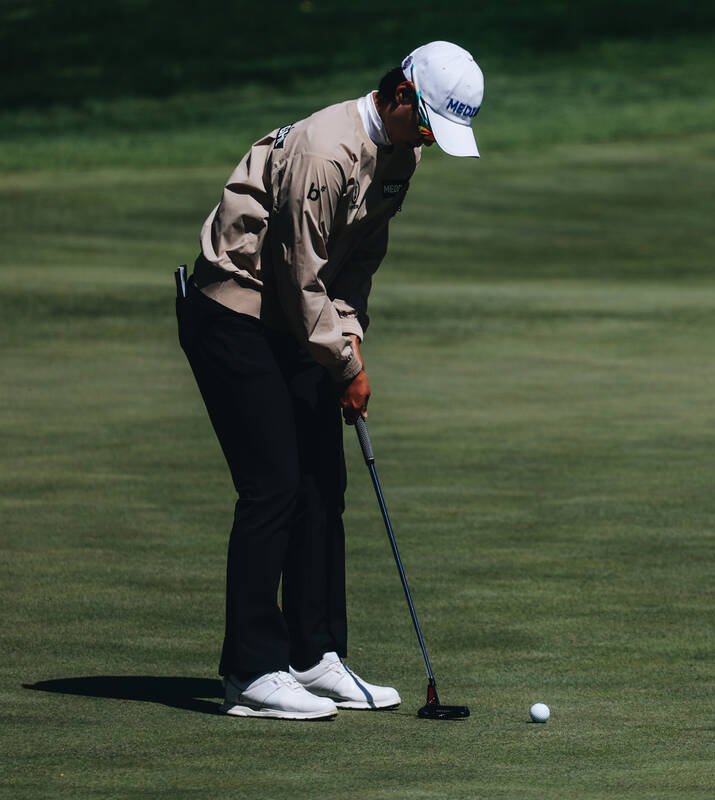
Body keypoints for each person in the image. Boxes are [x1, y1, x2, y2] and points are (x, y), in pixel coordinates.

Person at [175, 42, 484, 720]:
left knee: (323, 482)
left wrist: (351, 342)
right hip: (235, 311)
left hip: (293, 320)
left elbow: (358, 261)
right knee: (273, 486)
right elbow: (295, 273)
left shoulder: (403, 153)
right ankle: (251, 673)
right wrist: (343, 363)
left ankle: (315, 655)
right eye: (426, 122)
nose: (427, 139)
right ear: (400, 93)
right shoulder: (326, 152)